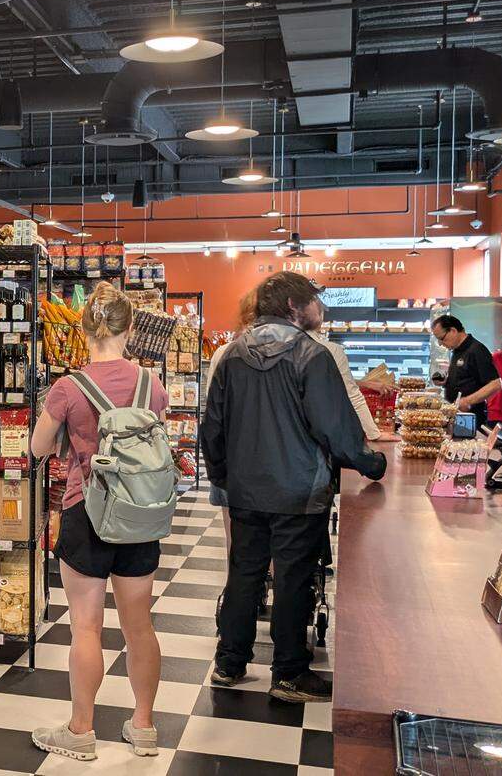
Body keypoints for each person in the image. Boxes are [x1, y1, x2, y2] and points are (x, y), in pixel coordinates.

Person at [201, 272, 386, 704]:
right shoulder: (312, 355)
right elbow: (336, 431)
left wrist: (224, 477)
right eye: (314, 304)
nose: (320, 311)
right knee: (292, 580)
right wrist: (371, 464)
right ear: (293, 308)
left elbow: (212, 427)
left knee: (244, 575)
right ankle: (288, 673)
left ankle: (230, 663)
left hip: (246, 491)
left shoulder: (232, 356)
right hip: (300, 491)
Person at [28, 282, 169, 761]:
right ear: (130, 329)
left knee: (85, 628)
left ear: (84, 330)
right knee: (140, 626)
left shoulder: (68, 387)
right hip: (140, 514)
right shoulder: (153, 386)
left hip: (85, 513)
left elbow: (37, 448)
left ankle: (81, 730)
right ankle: (144, 725)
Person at [203, 289, 257, 553]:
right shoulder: (295, 353)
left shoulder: (224, 354)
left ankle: (237, 587)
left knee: (235, 538)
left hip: (231, 457)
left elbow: (212, 414)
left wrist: (215, 469)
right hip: (275, 466)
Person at [432, 314, 501, 430]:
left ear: (453, 330)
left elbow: (496, 384)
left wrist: (468, 401)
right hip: (456, 416)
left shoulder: (476, 350)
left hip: (470, 418)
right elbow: (466, 378)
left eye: (442, 338)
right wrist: (446, 382)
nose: (440, 344)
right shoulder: (457, 350)